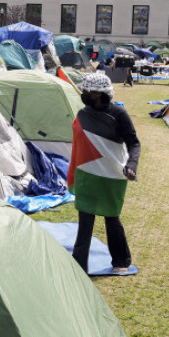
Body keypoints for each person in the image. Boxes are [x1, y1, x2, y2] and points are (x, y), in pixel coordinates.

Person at [67, 72, 140, 275]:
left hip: (112, 175)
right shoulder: (83, 114)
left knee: (112, 218)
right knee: (85, 220)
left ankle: (121, 259)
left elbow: (134, 143)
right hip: (87, 174)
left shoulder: (118, 114)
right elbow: (78, 145)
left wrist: (132, 165)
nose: (84, 94)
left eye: (88, 91)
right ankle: (79, 265)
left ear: (99, 94)